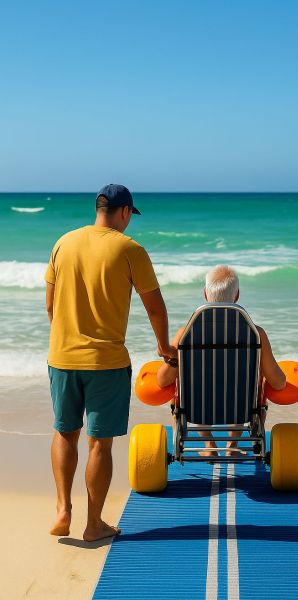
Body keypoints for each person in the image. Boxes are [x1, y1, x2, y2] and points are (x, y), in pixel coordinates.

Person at [45, 184, 177, 541]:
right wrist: (165, 346)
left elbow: (50, 306)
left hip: (62, 358)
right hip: (107, 363)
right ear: (123, 212)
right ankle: (93, 524)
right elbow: (155, 307)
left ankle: (62, 509)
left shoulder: (64, 243)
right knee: (99, 444)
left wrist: (67, 339)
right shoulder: (130, 249)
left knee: (64, 433)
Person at [158, 265, 286, 455]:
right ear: (237, 295)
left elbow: (162, 381)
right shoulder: (255, 335)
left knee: (184, 380)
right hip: (241, 408)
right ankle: (232, 445)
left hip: (197, 409)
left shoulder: (185, 334)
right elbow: (277, 382)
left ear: (205, 293)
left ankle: (209, 444)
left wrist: (174, 360)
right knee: (259, 376)